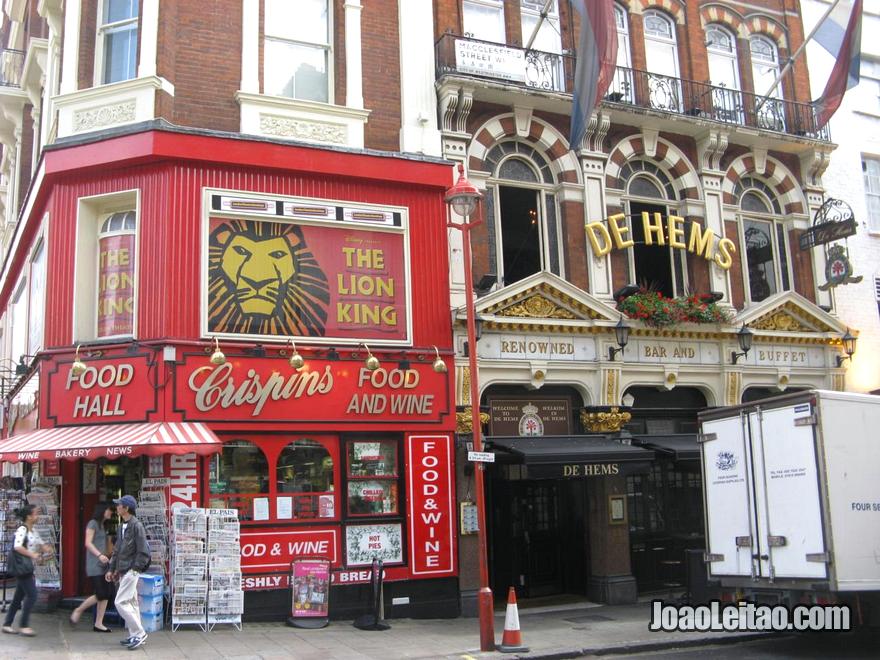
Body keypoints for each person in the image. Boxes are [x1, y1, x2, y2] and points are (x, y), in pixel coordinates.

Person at [105, 495, 150, 650]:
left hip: (131, 570)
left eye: (119, 505)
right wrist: (112, 569)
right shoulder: (121, 526)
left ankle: (139, 632)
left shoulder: (136, 526)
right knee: (132, 603)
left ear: (126, 508)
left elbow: (143, 551)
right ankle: (135, 635)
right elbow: (117, 550)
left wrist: (135, 568)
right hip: (124, 570)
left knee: (120, 602)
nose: (117, 507)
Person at [2, 504, 53, 637]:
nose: (37, 516)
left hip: (27, 567)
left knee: (18, 597)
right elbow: (17, 547)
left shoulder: (33, 531)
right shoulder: (22, 529)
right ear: (29, 517)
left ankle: (7, 624)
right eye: (35, 513)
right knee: (32, 595)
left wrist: (46, 549)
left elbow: (40, 545)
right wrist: (33, 555)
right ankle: (24, 625)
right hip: (23, 568)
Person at [69, 503, 115, 632]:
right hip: (95, 563)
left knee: (106, 593)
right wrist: (99, 555)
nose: (111, 512)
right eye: (109, 510)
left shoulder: (102, 526)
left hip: (103, 563)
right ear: (102, 510)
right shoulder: (93, 523)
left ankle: (99, 623)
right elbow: (87, 543)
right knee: (101, 593)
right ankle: (78, 610)